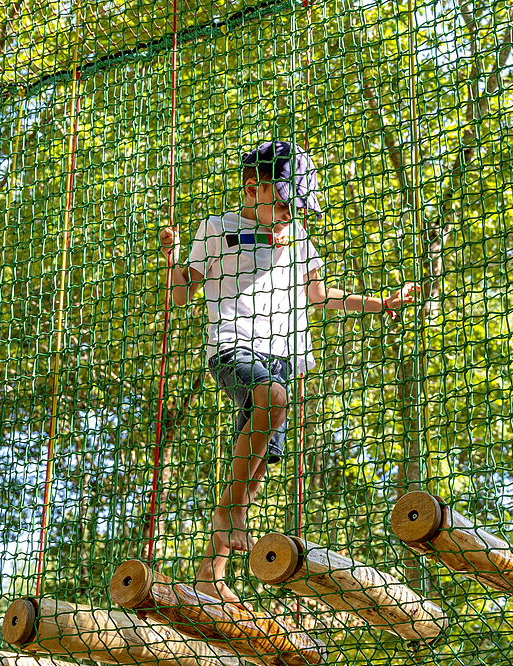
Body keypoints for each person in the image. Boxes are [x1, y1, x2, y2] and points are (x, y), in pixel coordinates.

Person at [159, 140, 418, 603]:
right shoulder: (218, 229)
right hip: (233, 345)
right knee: (270, 401)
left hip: (283, 357)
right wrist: (172, 260)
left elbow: (319, 295)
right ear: (252, 188)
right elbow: (180, 296)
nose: (287, 214)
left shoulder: (298, 239)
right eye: (282, 203)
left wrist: (381, 304)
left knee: (255, 467)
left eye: (294, 206)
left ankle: (210, 573)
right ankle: (231, 517)